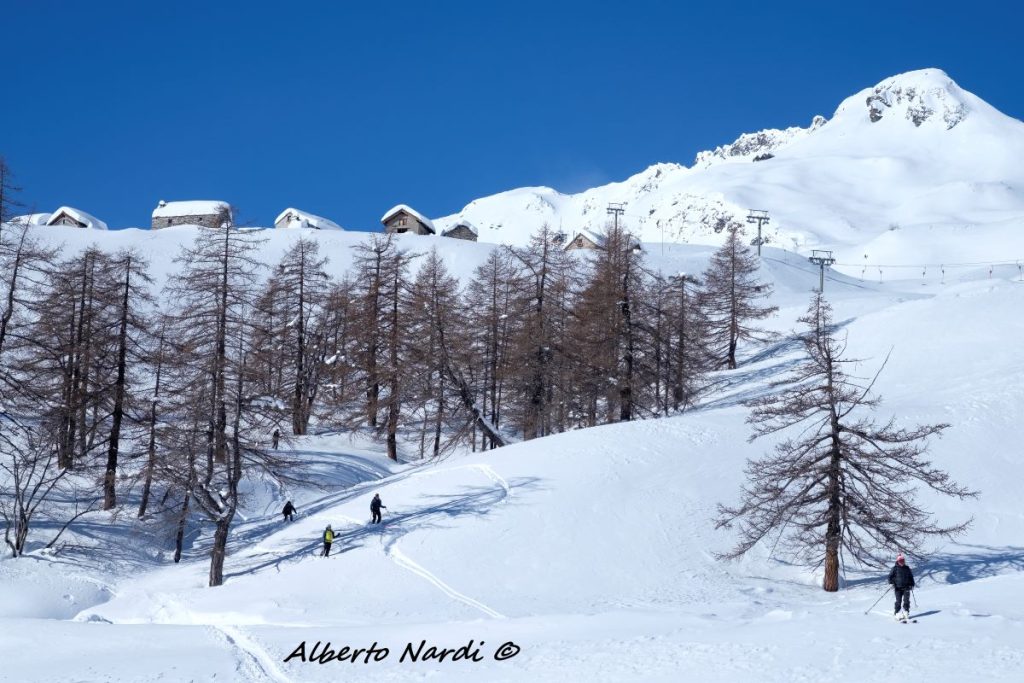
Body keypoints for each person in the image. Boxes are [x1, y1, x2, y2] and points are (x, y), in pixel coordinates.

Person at [888, 552, 915, 621]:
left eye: (903, 561)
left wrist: (912, 584)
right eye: (900, 561)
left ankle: (906, 612)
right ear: (897, 561)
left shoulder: (907, 568)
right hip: (898, 588)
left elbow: (911, 577)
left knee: (906, 601)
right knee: (898, 601)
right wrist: (891, 583)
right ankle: (897, 613)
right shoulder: (894, 568)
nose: (902, 562)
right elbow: (890, 577)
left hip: (906, 587)